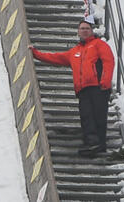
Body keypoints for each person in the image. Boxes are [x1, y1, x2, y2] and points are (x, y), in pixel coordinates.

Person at [33, 20, 116, 155]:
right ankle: (91, 143)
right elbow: (56, 58)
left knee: (98, 115)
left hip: (98, 87)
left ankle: (99, 144)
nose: (84, 31)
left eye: (87, 28)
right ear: (78, 32)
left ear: (92, 31)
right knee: (86, 116)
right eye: (82, 28)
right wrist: (36, 54)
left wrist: (105, 82)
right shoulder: (75, 51)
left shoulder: (99, 44)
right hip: (83, 90)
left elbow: (109, 62)